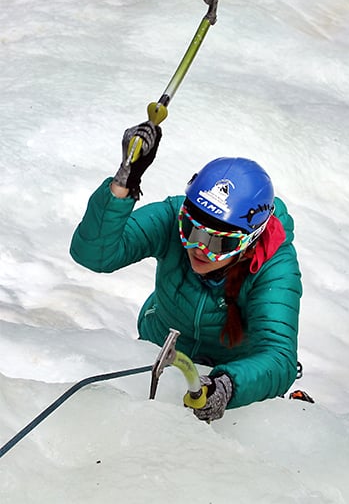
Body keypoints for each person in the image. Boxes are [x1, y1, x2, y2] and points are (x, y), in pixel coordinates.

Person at [70, 121, 302, 421]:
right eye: (191, 230)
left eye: (219, 243)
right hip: (156, 351)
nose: (198, 248)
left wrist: (228, 385)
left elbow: (279, 356)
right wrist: (124, 183)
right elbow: (94, 255)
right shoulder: (173, 214)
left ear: (250, 241)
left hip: (227, 374)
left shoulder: (275, 266)